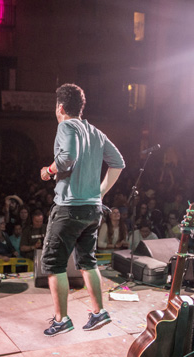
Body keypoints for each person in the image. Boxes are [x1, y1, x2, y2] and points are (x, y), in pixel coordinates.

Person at [39, 83, 125, 336]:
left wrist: (48, 171)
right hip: (92, 209)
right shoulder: (95, 132)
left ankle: (61, 319)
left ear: (60, 107)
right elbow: (118, 163)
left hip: (69, 208)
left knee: (54, 263)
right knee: (88, 261)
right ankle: (99, 312)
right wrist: (100, 192)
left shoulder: (66, 126)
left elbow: (67, 157)